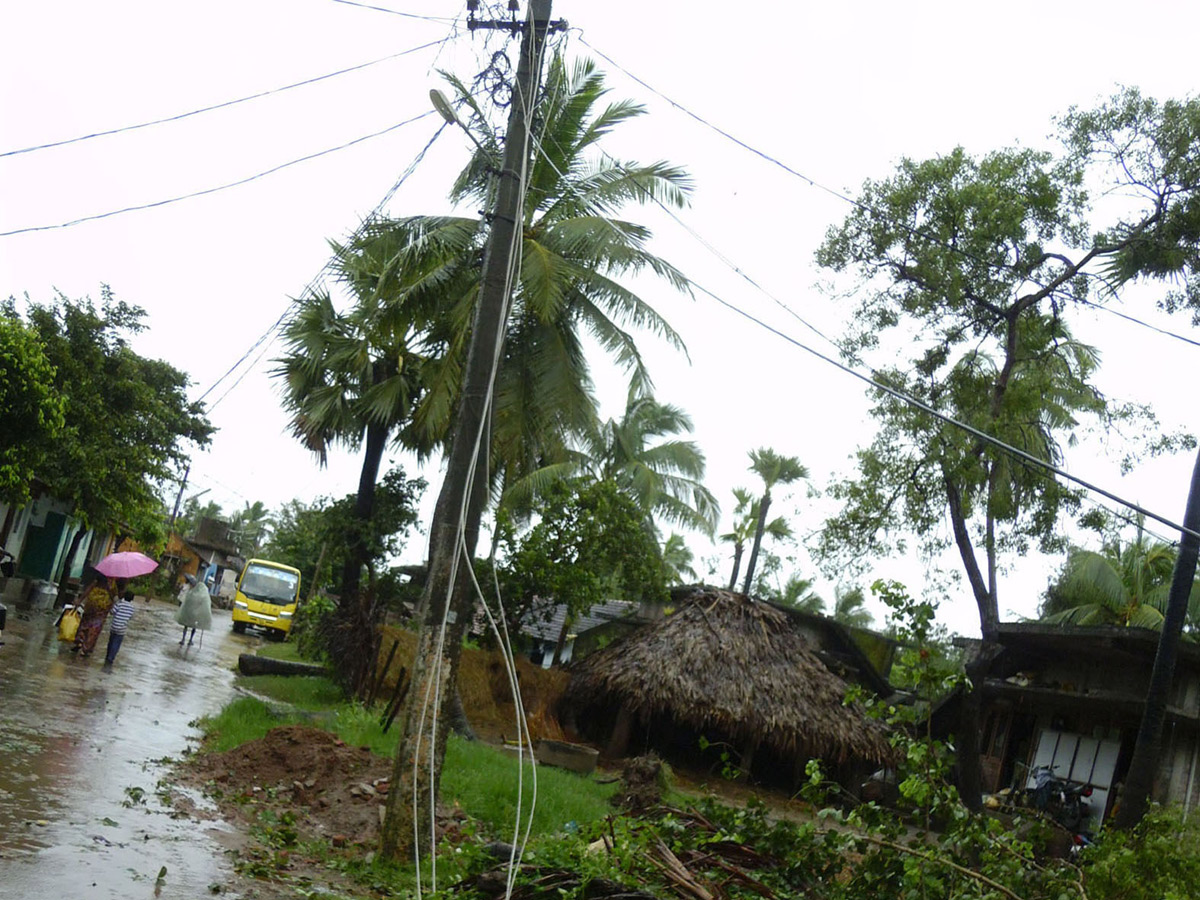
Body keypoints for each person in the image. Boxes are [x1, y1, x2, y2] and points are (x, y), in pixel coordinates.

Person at [73, 574, 127, 657]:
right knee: (95, 628)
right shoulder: (112, 583)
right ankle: (86, 649)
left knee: (85, 623)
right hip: (102, 607)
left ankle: (79, 641)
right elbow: (115, 596)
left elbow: (89, 588)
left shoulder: (99, 577)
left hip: (91, 604)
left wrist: (80, 600)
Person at [176, 575, 213, 646]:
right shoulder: (199, 594)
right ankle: (190, 640)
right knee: (193, 627)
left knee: (186, 626)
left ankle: (183, 639)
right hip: (195, 614)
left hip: (188, 612)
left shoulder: (191, 593)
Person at [104, 590, 136, 665]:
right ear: (132, 599)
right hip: (122, 629)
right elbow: (130, 617)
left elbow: (112, 612)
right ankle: (110, 658)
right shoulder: (132, 608)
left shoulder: (119, 604)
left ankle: (107, 656)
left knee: (111, 642)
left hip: (114, 626)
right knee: (116, 644)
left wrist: (113, 604)